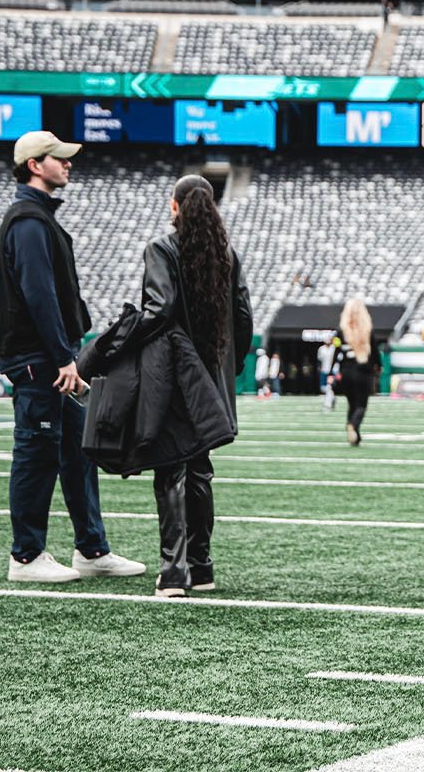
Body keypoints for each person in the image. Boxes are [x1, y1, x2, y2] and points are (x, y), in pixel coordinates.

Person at [0, 130, 143, 583]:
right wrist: (63, 357)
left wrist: (68, 355)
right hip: (40, 358)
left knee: (80, 452)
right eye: (59, 158)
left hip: (54, 355)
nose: (68, 164)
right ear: (35, 165)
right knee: (36, 453)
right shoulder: (29, 222)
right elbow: (40, 297)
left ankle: (91, 549)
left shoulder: (39, 218)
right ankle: (25, 557)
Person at [132, 175, 252, 596]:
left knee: (170, 470)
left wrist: (122, 340)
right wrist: (226, 369)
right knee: (200, 471)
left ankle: (174, 570)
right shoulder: (227, 254)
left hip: (175, 377)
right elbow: (243, 319)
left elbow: (158, 310)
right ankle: (201, 567)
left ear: (175, 206)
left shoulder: (162, 249)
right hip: (212, 379)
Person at [332, 299, 381, 446]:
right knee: (361, 405)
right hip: (363, 370)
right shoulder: (367, 330)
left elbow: (336, 350)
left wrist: (331, 371)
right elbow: (374, 351)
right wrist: (378, 366)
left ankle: (355, 436)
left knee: (351, 404)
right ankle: (353, 425)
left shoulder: (340, 331)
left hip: (346, 371)